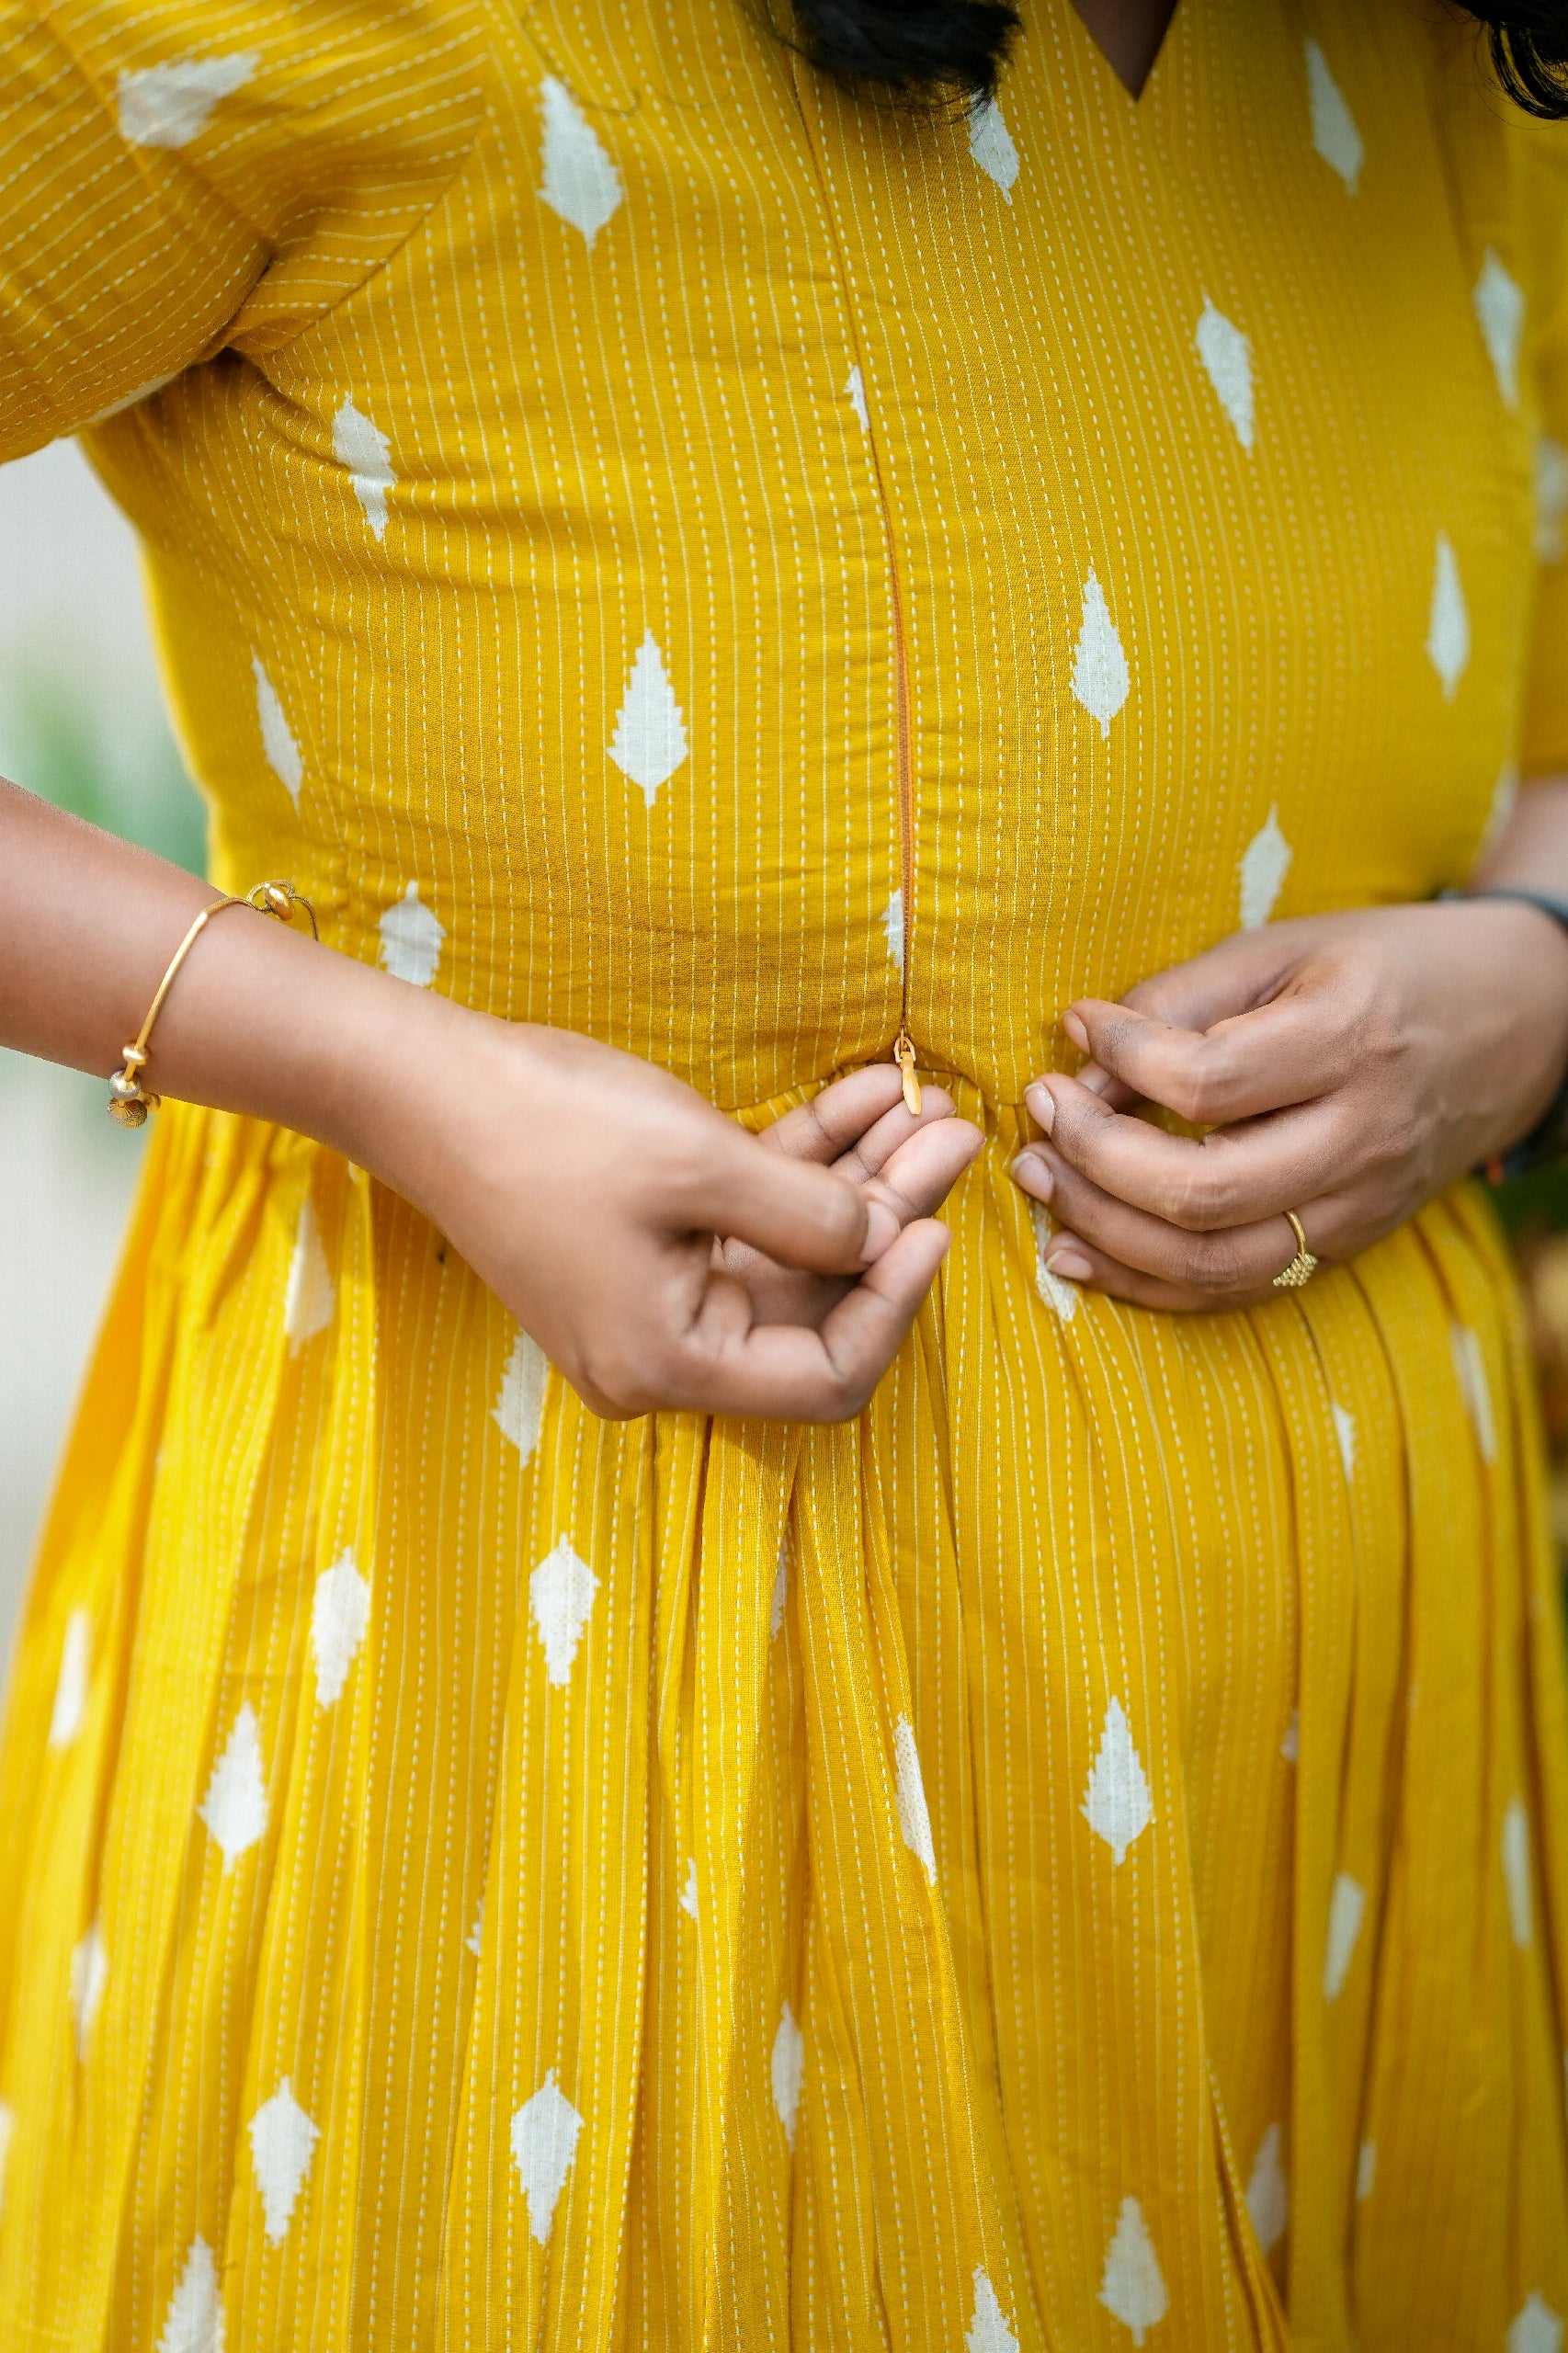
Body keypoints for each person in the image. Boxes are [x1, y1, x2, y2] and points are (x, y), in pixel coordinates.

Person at [1, 0, 1566, 2340]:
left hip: (1330, 1788)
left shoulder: (1452, 49)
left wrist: (1534, 976)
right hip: (562, 1753)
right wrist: (390, 1072)